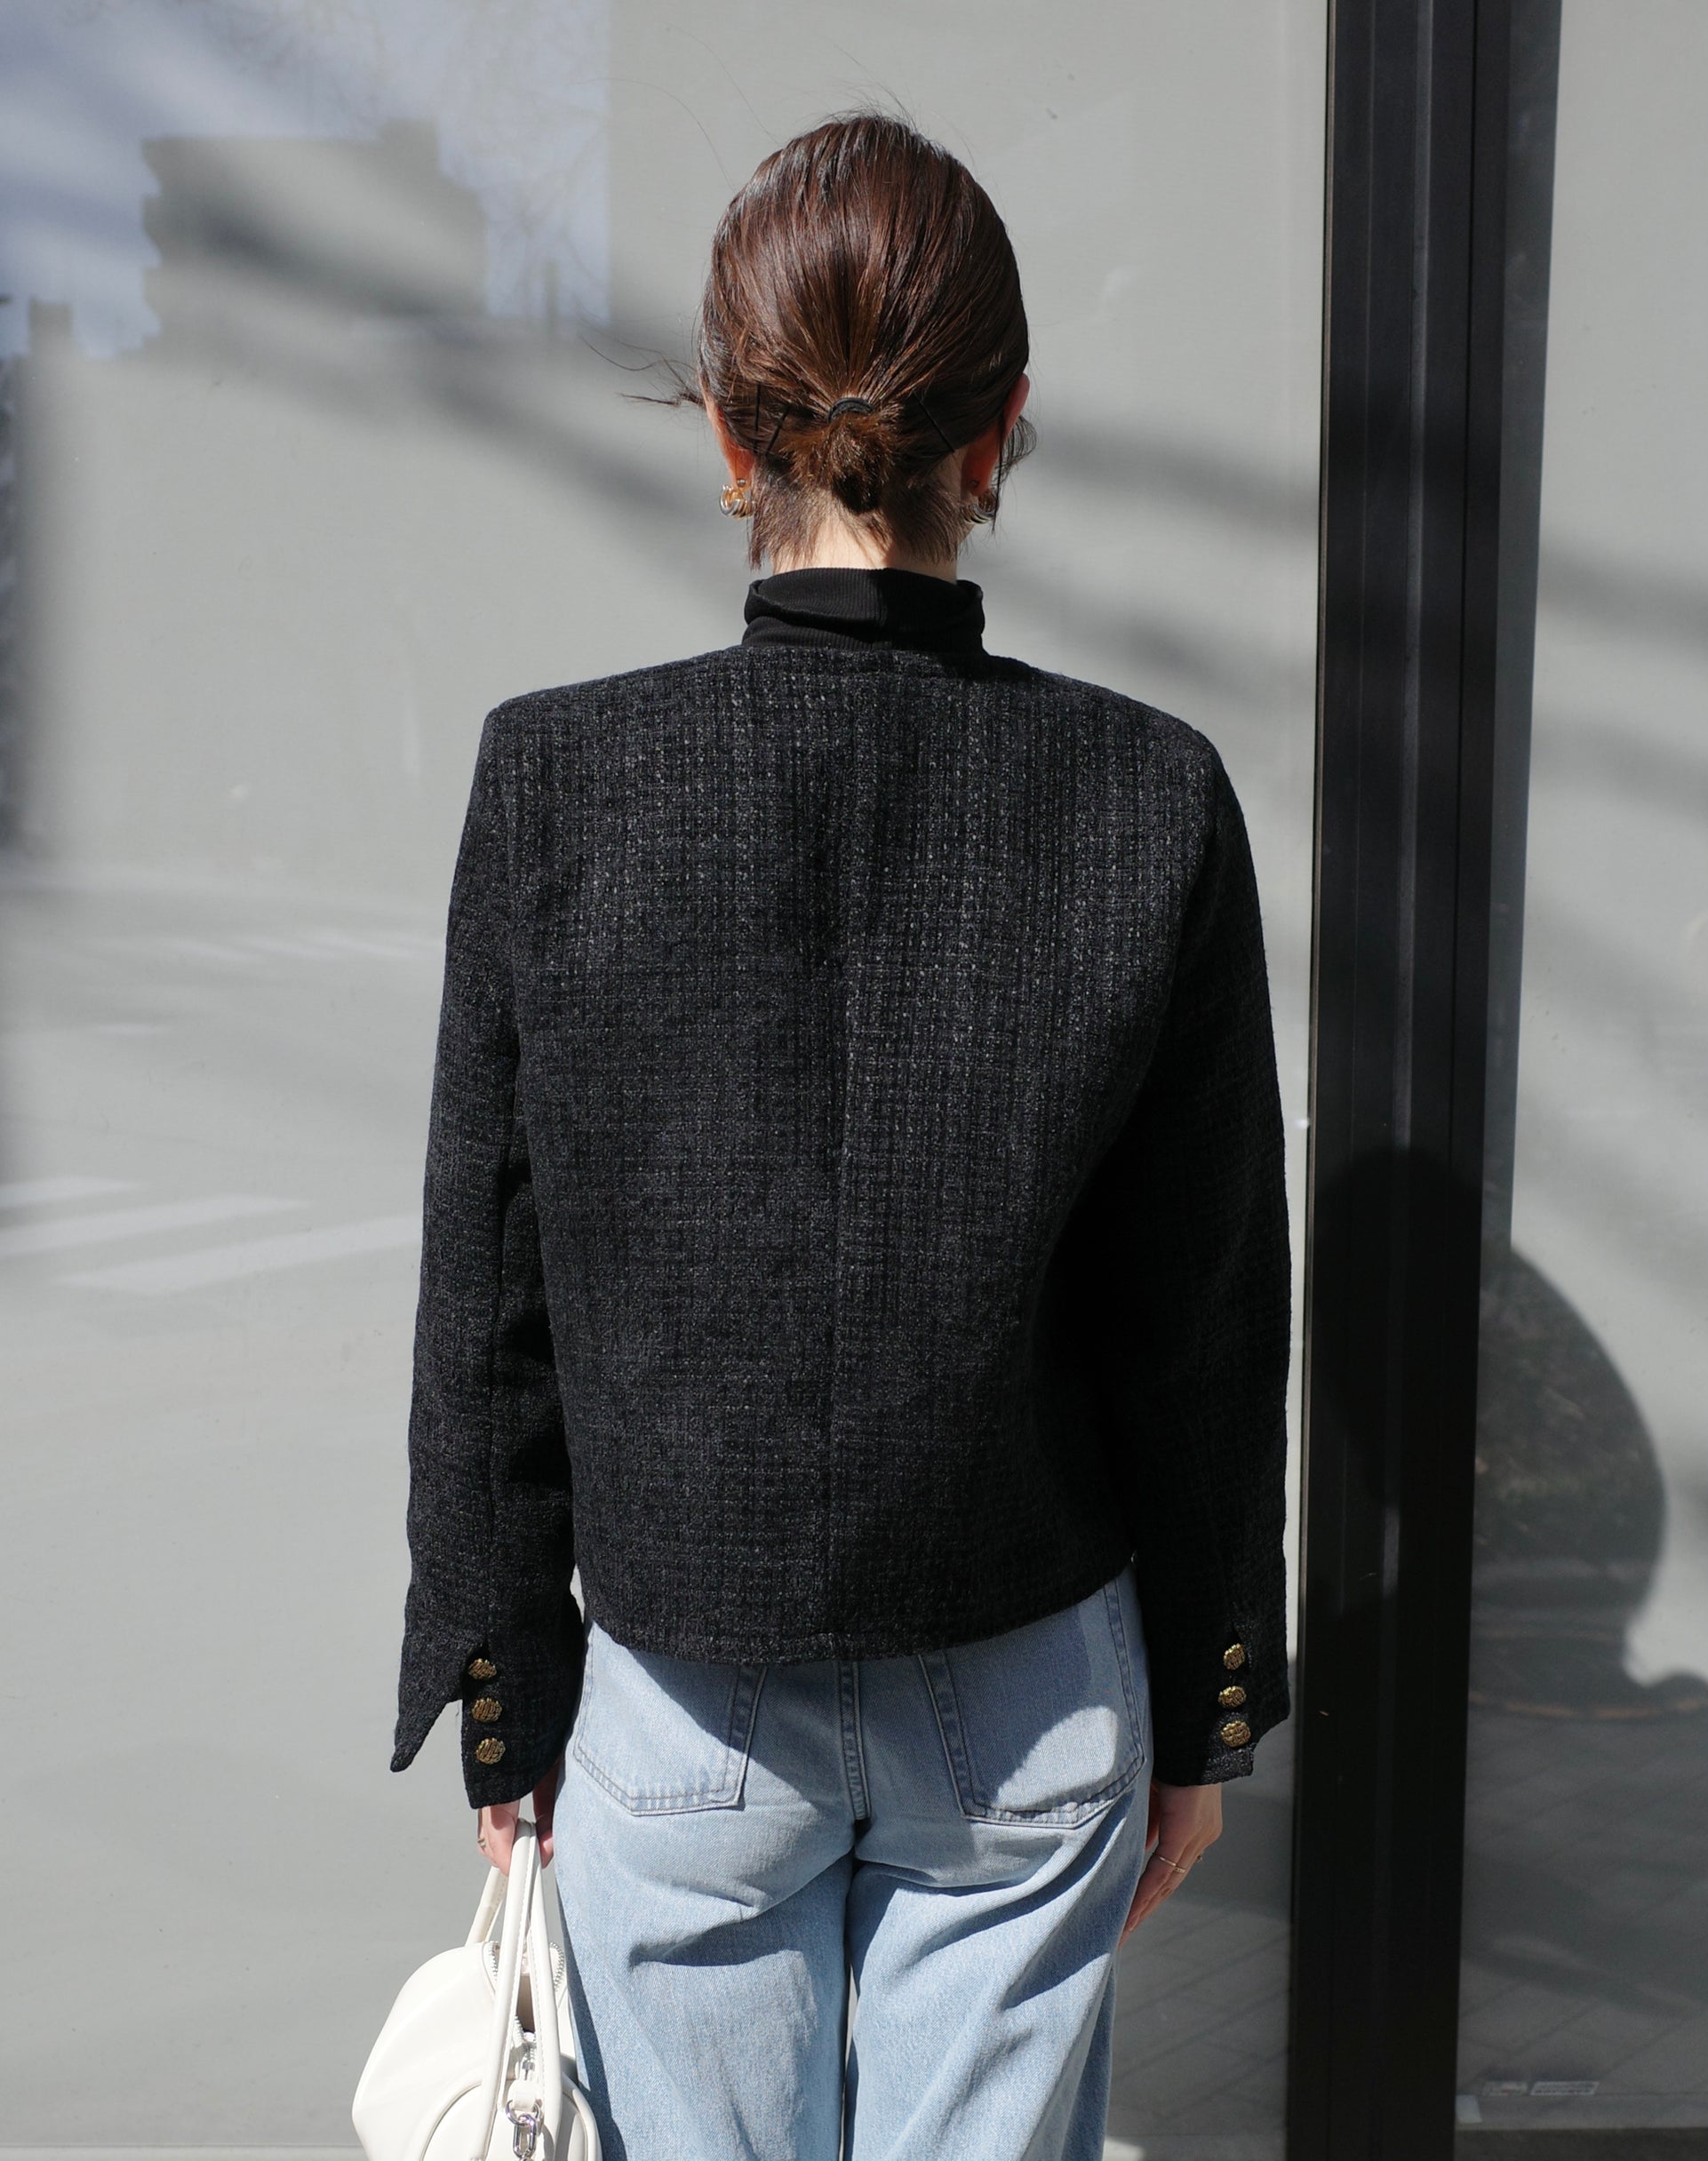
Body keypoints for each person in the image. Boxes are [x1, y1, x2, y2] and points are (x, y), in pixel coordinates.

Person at [390, 110, 1290, 2161]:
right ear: (1003, 431)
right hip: (1030, 1689)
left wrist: (501, 1676)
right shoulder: (1147, 796)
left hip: (683, 1694)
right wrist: (1207, 1694)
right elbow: (1203, 1319)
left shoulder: (559, 782)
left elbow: (488, 1290)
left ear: (729, 433)